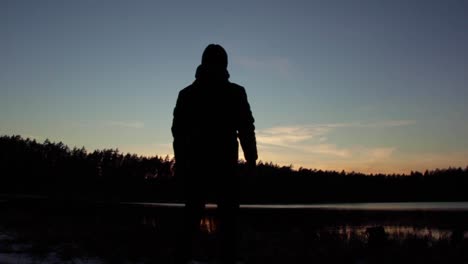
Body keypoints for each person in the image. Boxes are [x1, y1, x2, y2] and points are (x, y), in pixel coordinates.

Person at [172, 44, 257, 264]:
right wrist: (251, 161)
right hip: (214, 168)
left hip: (202, 168)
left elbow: (177, 134)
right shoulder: (235, 92)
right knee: (224, 224)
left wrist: (180, 166)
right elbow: (246, 128)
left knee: (196, 221)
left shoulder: (188, 94)